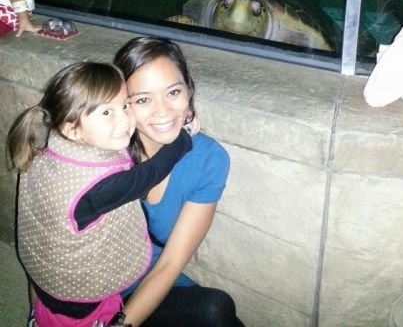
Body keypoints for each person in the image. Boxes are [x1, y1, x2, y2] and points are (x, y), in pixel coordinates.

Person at [7, 61, 193, 327]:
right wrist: (184, 135)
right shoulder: (100, 188)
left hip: (43, 275)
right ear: (72, 128)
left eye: (125, 105)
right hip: (80, 296)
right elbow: (151, 173)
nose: (125, 119)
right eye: (107, 112)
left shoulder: (49, 148)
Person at [114, 37, 245, 327]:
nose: (163, 111)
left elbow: (171, 264)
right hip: (94, 294)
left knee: (216, 310)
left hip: (153, 284)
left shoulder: (208, 158)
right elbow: (50, 244)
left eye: (173, 92)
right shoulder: (103, 151)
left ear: (189, 90)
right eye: (143, 99)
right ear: (122, 104)